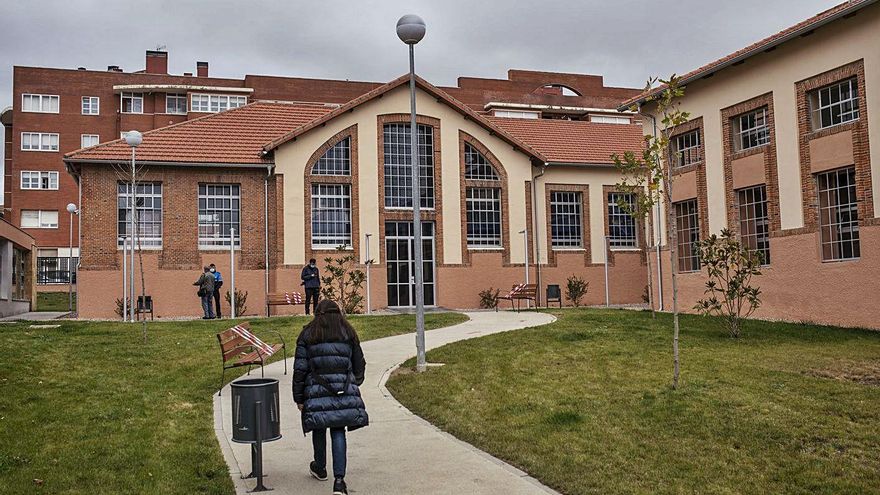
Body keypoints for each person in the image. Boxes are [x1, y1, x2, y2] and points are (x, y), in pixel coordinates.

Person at [293, 299, 368, 495]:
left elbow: (300, 370)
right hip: (342, 389)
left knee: (319, 425)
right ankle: (339, 481)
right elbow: (359, 363)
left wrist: (298, 397)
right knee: (337, 428)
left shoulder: (308, 334)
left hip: (316, 389)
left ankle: (320, 466)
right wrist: (355, 382)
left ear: (317, 314)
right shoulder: (348, 332)